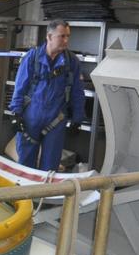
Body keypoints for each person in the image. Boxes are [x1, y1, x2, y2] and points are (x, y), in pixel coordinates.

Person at [10, 20, 86, 172]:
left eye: (68, 36)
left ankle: (46, 195)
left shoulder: (71, 62)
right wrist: (16, 114)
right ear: (49, 37)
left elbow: (78, 92)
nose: (66, 40)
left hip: (56, 119)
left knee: (50, 168)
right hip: (31, 118)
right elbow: (19, 87)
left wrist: (77, 119)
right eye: (62, 36)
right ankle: (25, 195)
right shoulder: (32, 58)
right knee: (25, 165)